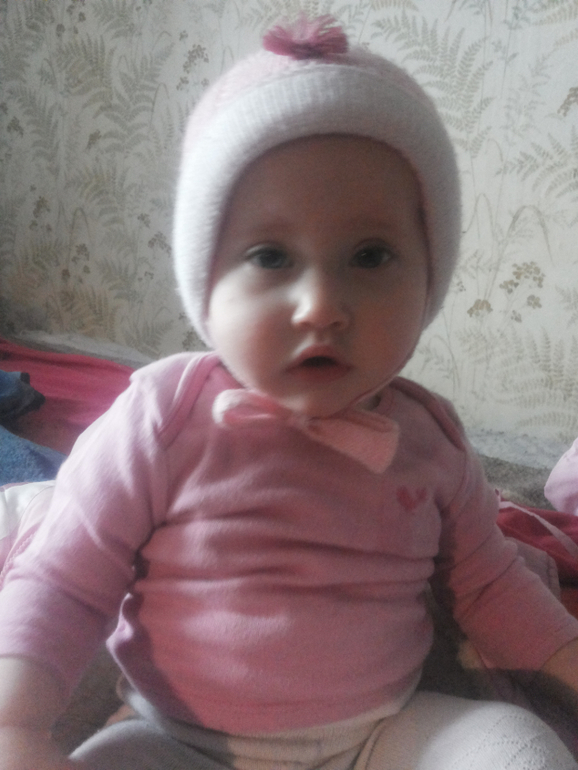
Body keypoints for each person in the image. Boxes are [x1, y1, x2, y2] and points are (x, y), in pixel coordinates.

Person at [0, 14, 577, 770]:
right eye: (271, 256)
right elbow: (65, 581)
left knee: (520, 751)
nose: (321, 306)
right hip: (176, 737)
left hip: (380, 735)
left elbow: (493, 587)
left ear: (428, 277)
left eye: (370, 255)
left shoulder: (431, 437)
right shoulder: (162, 417)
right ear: (205, 282)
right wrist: (16, 722)